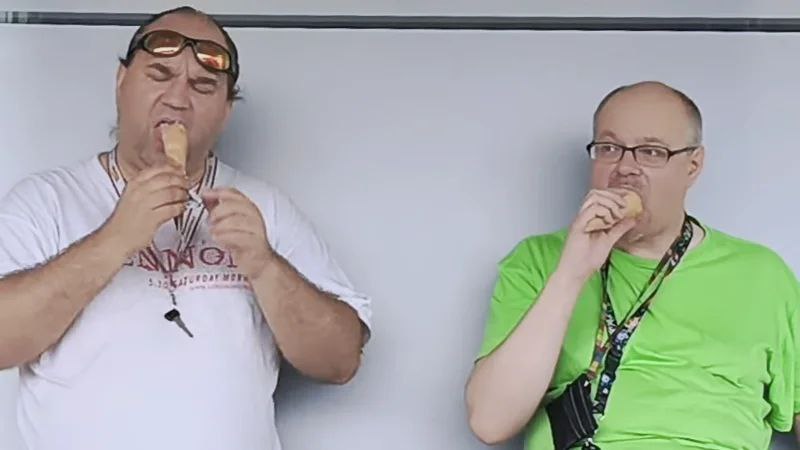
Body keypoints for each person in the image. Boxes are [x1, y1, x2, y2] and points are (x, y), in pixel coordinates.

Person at [0, 6, 371, 450]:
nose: (178, 98)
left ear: (226, 110)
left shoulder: (263, 206)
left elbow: (340, 361)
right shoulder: (46, 199)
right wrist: (115, 239)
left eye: (203, 85)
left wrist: (264, 265)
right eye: (160, 74)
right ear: (121, 81)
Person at [466, 81, 799, 449]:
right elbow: (490, 423)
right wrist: (573, 272)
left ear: (693, 166)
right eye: (609, 148)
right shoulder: (540, 260)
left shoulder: (762, 275)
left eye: (651, 152)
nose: (625, 167)